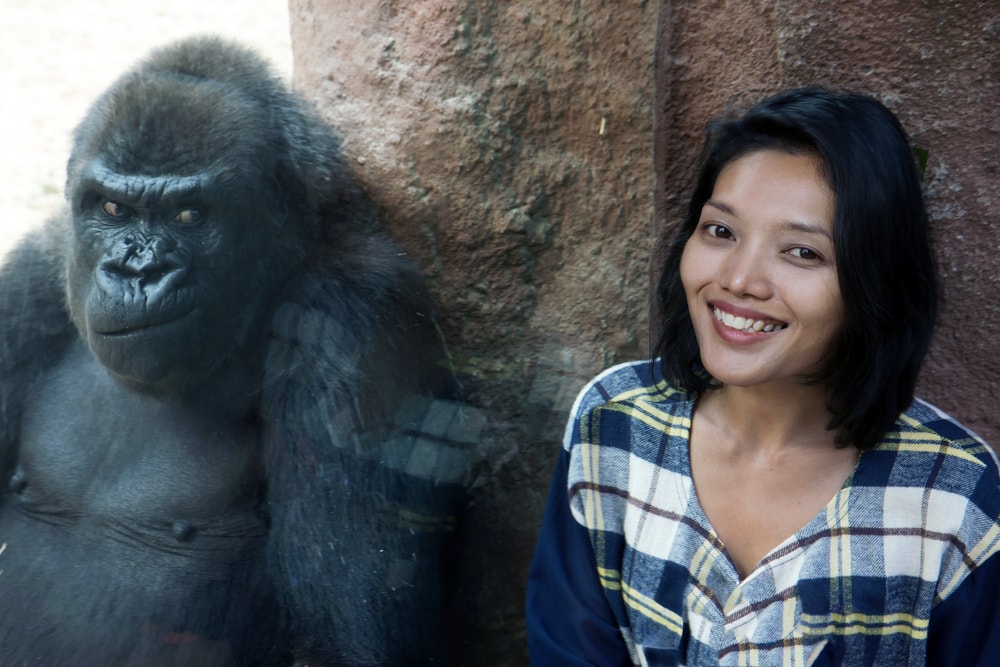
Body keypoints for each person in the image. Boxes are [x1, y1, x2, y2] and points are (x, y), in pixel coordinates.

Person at [525, 88, 1000, 666]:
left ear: (874, 282)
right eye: (721, 232)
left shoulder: (950, 495)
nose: (740, 280)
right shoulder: (614, 424)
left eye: (802, 253)